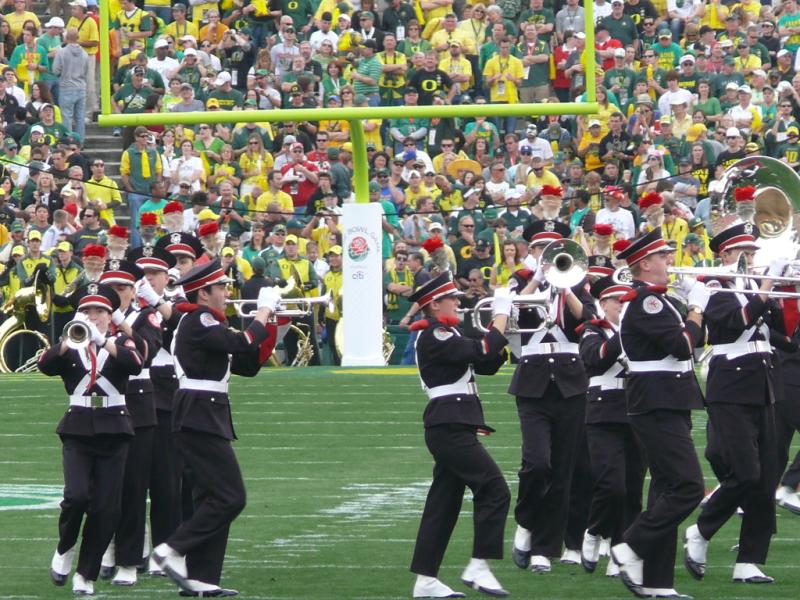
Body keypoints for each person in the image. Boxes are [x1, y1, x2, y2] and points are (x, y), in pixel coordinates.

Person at [152, 260, 280, 597]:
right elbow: (243, 341)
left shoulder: (207, 323)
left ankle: (202, 578)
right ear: (203, 293)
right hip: (199, 415)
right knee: (231, 497)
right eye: (221, 287)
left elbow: (247, 363)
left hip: (206, 414)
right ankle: (171, 549)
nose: (226, 292)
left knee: (210, 498)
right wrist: (264, 310)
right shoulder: (199, 319)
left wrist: (272, 322)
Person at [684, 222, 784, 585]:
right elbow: (737, 321)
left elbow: (781, 332)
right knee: (745, 472)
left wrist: (777, 295)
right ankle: (701, 531)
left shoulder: (754, 286)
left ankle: (749, 561)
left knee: (766, 478)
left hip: (763, 383)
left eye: (753, 252)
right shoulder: (713, 286)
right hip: (731, 385)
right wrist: (766, 288)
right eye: (744, 252)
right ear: (725, 254)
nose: (751, 258)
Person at [611, 229, 706, 599]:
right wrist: (696, 308)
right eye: (663, 256)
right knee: (688, 487)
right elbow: (681, 346)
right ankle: (630, 546)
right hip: (658, 401)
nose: (669, 261)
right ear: (645, 263)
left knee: (667, 489)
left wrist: (693, 306)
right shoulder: (647, 302)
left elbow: (693, 341)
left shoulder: (658, 300)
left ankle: (658, 582)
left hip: (668, 399)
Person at [409, 272, 512, 598]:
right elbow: (483, 350)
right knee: (495, 489)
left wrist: (505, 326)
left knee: (443, 504)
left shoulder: (448, 332)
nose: (458, 301)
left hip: (453, 423)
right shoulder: (435, 333)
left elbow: (487, 363)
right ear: (434, 304)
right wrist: (501, 312)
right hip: (449, 425)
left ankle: (425, 580)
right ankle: (479, 565)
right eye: (451, 297)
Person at [40, 283, 144, 595]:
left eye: (99, 311)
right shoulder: (71, 344)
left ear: (110, 316)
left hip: (115, 429)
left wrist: (104, 342)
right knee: (76, 496)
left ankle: (85, 574)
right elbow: (45, 365)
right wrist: (66, 341)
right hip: (78, 428)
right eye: (87, 311)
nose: (93, 316)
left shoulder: (121, 341)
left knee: (106, 508)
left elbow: (136, 363)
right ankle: (65, 548)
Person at [509, 220, 596, 573]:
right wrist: (537, 281)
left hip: (570, 383)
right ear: (531, 251)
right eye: (540, 249)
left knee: (562, 471)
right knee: (537, 463)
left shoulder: (578, 283)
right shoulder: (519, 281)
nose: (547, 256)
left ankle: (544, 549)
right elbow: (512, 313)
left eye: (553, 250)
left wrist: (566, 287)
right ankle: (526, 522)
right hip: (532, 383)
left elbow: (589, 319)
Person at [96, 257, 163, 585]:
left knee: (134, 486)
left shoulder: (145, 316)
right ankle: (108, 548)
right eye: (109, 288)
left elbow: (147, 352)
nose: (115, 293)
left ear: (133, 291)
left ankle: (129, 560)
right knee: (103, 486)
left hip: (136, 405)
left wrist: (120, 321)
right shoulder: (93, 319)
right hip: (101, 405)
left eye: (121, 288)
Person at [578, 274, 645, 578]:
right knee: (611, 484)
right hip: (604, 412)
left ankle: (620, 552)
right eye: (618, 301)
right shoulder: (592, 329)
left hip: (638, 410)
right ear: (603, 304)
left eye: (626, 301)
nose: (623, 306)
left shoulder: (640, 330)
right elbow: (596, 359)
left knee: (633, 488)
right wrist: (626, 333)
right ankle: (594, 530)